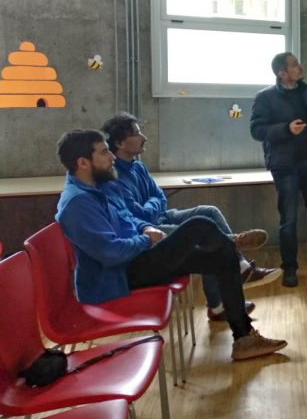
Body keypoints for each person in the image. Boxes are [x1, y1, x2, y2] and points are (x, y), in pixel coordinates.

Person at [55, 129, 287, 360]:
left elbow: (128, 218)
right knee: (199, 225)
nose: (112, 156)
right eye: (105, 152)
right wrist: (147, 239)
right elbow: (112, 253)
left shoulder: (101, 184)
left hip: (136, 258)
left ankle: (244, 338)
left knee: (221, 258)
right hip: (117, 276)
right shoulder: (77, 204)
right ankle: (233, 244)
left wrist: (145, 227)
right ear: (83, 162)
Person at [100, 112, 283, 322]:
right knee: (203, 237)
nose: (144, 137)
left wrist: (152, 204)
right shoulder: (113, 176)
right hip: (146, 231)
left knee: (209, 212)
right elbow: (139, 215)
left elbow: (160, 197)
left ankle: (237, 268)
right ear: (120, 143)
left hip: (162, 217)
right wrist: (153, 205)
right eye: (137, 133)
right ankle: (224, 292)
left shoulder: (138, 166)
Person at [250, 52, 307, 287]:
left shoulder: (306, 91)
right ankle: (290, 269)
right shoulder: (265, 97)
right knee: (289, 220)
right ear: (282, 73)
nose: (299, 67)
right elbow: (256, 130)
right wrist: (286, 129)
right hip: (285, 166)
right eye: (294, 64)